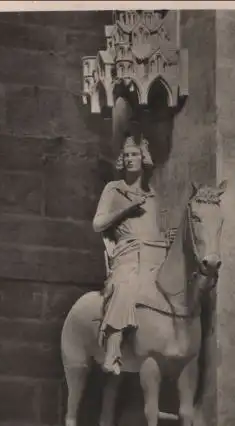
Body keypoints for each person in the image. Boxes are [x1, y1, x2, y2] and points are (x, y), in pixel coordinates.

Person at [93, 134, 165, 375]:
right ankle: (112, 353)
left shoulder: (153, 196)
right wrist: (125, 210)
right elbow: (97, 224)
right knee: (126, 285)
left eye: (135, 154)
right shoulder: (114, 189)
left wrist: (168, 237)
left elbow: (154, 230)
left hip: (154, 256)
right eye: (126, 156)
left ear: (143, 159)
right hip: (127, 255)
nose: (130, 159)